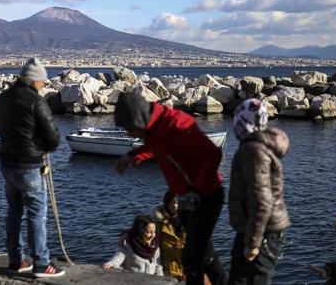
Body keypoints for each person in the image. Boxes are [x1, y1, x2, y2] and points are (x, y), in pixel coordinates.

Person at [114, 92, 226, 285]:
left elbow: (212, 154)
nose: (128, 134)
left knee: (194, 257)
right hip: (186, 198)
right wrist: (133, 156)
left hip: (205, 195)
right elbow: (156, 145)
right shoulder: (156, 127)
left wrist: (196, 191)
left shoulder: (176, 123)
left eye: (129, 128)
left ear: (139, 120)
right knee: (199, 254)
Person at [0, 57, 64, 278]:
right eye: (43, 82)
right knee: (37, 214)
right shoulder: (36, 101)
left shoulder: (3, 97)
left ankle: (16, 260)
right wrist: (39, 145)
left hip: (6, 163)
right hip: (29, 164)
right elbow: (53, 137)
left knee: (14, 211)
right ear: (34, 80)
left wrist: (11, 134)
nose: (43, 86)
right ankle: (42, 263)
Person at [228, 98, 290, 285]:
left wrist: (253, 243)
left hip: (263, 232)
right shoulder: (255, 146)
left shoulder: (253, 150)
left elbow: (261, 199)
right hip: (254, 229)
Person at [152, 191, 186, 281]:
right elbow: (140, 228)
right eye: (172, 202)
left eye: (178, 203)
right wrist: (125, 234)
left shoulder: (189, 221)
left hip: (186, 272)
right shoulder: (158, 222)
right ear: (167, 203)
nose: (175, 206)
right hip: (167, 273)